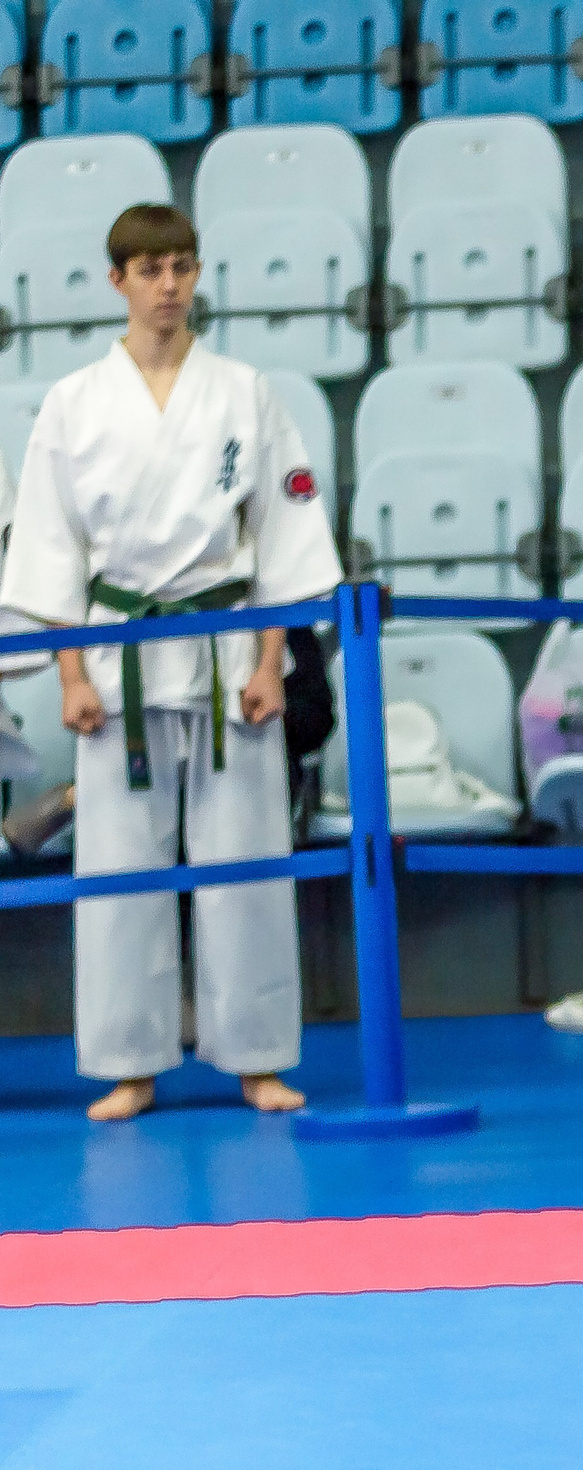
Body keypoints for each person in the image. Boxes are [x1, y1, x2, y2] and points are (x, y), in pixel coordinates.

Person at [0, 204, 341, 1122]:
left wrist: (274, 661)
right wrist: (71, 676)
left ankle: (259, 1059)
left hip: (232, 648)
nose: (168, 286)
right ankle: (129, 1064)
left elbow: (283, 538)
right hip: (119, 657)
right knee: (117, 867)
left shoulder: (244, 390)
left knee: (248, 861)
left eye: (182, 268)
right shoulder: (74, 403)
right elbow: (52, 553)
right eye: (149, 270)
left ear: (197, 276)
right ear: (117, 281)